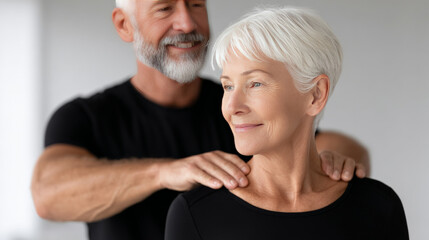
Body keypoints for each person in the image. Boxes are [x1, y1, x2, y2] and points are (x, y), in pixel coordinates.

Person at [31, 1, 369, 240]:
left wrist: (331, 160)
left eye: (196, 5)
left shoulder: (237, 108)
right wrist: (165, 172)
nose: (188, 24)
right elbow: (48, 194)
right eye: (165, 8)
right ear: (124, 24)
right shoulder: (85, 117)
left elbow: (329, 143)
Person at [165, 7, 408, 240]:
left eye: (255, 84)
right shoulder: (195, 214)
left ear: (315, 95)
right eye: (228, 86)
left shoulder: (379, 207)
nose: (231, 107)